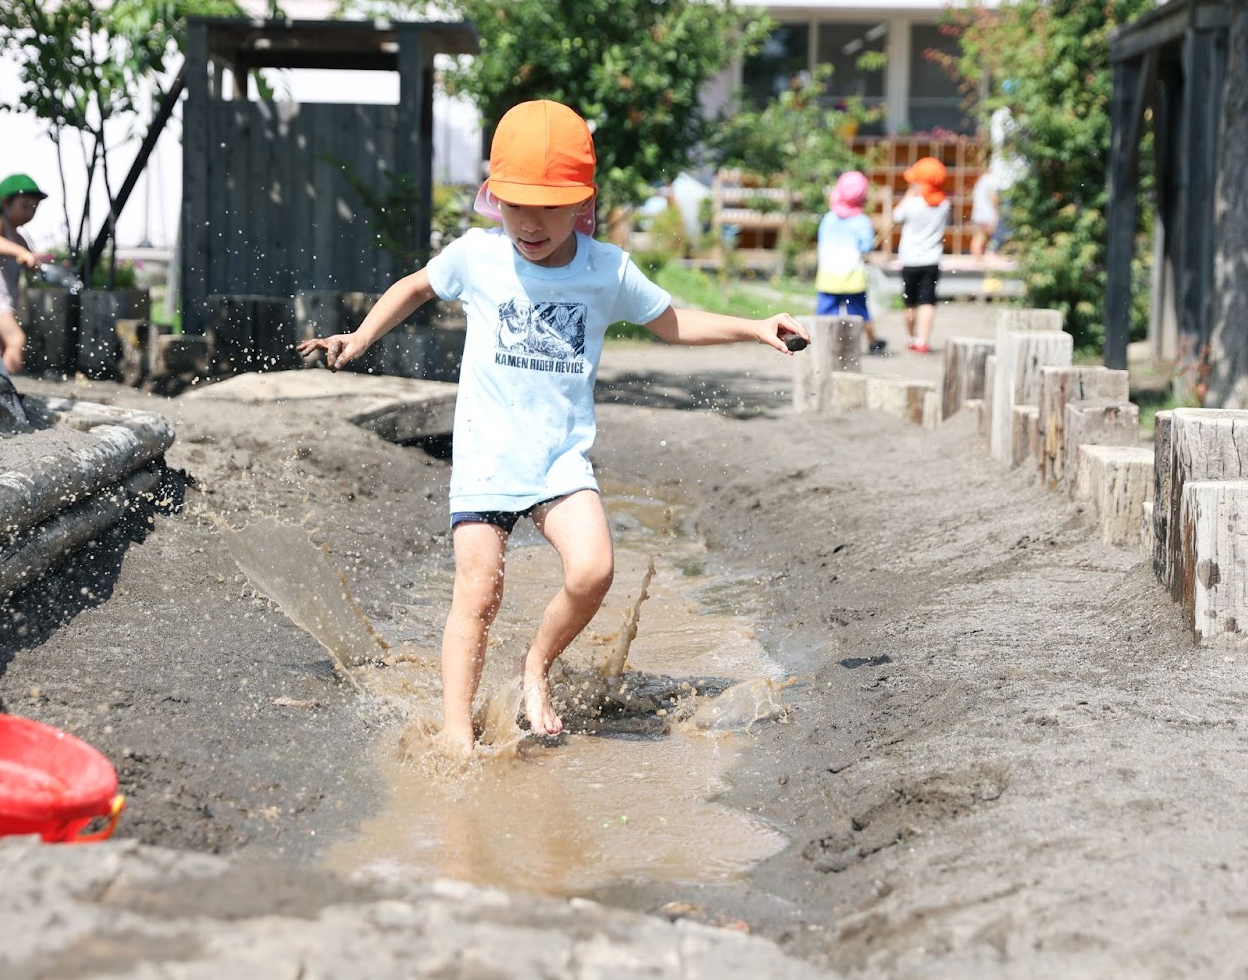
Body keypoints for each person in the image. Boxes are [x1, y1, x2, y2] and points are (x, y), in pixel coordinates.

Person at [297, 99, 810, 755]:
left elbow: (670, 320)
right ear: (494, 199)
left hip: (559, 459)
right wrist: (363, 336)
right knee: (478, 591)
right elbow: (418, 286)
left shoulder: (606, 271)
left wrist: (754, 326)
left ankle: (535, 664)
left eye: (549, 205)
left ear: (582, 203)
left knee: (594, 568)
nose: (530, 223)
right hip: (486, 452)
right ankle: (457, 736)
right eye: (516, 204)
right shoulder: (478, 257)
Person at [0, 173, 53, 374]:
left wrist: (34, 262)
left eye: (34, 208)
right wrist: (22, 253)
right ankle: (4, 384)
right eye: (25, 206)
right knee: (16, 340)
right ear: (6, 202)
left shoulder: (19, 237)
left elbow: (29, 266)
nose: (30, 212)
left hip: (3, 302)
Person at [813, 170, 886, 355]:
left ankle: (821, 345)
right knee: (860, 312)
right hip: (852, 275)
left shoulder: (828, 218)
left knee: (824, 313)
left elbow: (820, 240)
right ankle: (872, 342)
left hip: (828, 275)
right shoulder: (861, 221)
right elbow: (866, 247)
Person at [889, 156, 951, 354]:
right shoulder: (944, 204)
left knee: (910, 301)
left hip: (909, 260)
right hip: (932, 260)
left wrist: (910, 193)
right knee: (927, 301)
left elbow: (895, 217)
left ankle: (910, 336)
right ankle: (923, 340)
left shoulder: (911, 204)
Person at [969, 170, 999, 258]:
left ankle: (977, 258)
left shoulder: (980, 181)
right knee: (987, 236)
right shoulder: (991, 180)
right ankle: (981, 259)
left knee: (978, 236)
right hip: (987, 213)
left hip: (978, 212)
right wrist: (997, 210)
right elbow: (993, 197)